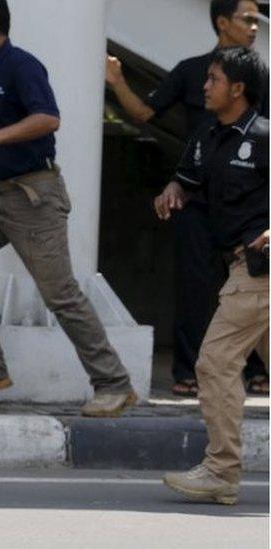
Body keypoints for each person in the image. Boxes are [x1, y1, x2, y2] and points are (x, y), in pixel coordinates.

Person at [0, 0, 137, 417]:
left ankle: (114, 384)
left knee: (61, 294)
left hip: (33, 196)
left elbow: (47, 119)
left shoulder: (23, 66)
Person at [105, 0, 268, 396]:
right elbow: (145, 113)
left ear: (241, 89)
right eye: (247, 19)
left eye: (256, 20)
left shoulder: (261, 91)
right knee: (198, 287)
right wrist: (117, 81)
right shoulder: (193, 75)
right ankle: (191, 371)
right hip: (199, 198)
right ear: (221, 22)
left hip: (249, 208)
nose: (254, 27)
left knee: (249, 292)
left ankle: (251, 370)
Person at [160, 47, 268, 505]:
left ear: (238, 89)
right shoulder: (208, 135)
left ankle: (222, 471)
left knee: (215, 362)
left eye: (215, 79)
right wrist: (173, 188)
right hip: (238, 266)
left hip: (259, 268)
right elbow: (191, 177)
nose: (205, 86)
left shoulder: (264, 137)